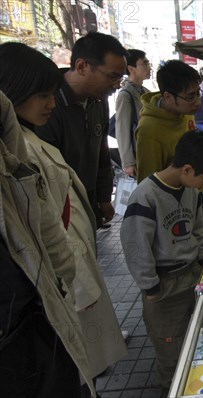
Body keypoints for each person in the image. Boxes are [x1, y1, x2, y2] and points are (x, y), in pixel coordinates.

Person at [0, 42, 127, 383]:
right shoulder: (22, 149)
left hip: (70, 244)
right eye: (113, 75)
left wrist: (101, 197)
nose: (51, 103)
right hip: (36, 291)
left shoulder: (95, 107)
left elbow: (100, 155)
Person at [0, 90, 94, 397]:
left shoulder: (18, 144)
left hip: (35, 308)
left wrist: (62, 274)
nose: (51, 104)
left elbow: (48, 227)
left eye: (52, 95)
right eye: (42, 94)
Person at [121, 130, 203, 388]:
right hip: (164, 287)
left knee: (197, 338)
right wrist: (150, 287)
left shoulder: (191, 191)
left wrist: (201, 261)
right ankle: (172, 388)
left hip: (192, 276)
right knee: (170, 349)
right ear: (188, 169)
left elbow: (198, 229)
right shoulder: (146, 196)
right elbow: (136, 246)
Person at [35, 31, 128, 229]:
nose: (117, 85)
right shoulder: (47, 105)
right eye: (112, 76)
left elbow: (102, 151)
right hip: (59, 210)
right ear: (82, 66)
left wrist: (104, 197)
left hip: (88, 200)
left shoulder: (98, 102)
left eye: (120, 78)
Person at [135, 60, 203, 254]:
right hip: (170, 207)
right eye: (190, 97)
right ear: (168, 97)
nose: (197, 101)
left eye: (198, 93)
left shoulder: (186, 113)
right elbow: (147, 182)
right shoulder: (149, 129)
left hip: (193, 195)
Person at [115, 49, 151, 177]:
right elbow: (122, 130)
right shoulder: (125, 95)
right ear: (131, 68)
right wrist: (128, 162)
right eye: (145, 63)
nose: (149, 67)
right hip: (138, 155)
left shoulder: (146, 92)